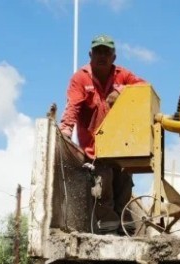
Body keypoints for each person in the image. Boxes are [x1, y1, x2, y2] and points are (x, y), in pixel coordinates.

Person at [59, 34, 146, 234]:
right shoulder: (80, 78)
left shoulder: (122, 75)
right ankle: (109, 232)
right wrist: (65, 129)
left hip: (122, 146)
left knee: (124, 185)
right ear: (90, 54)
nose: (102, 56)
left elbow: (144, 87)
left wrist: (123, 90)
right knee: (103, 185)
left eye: (106, 52)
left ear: (113, 57)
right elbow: (73, 106)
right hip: (95, 148)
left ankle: (125, 230)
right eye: (98, 51)